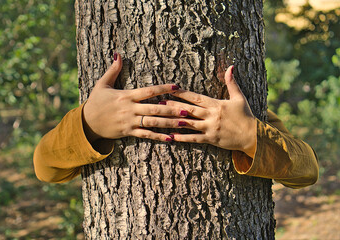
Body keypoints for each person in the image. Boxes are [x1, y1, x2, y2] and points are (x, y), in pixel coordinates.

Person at [33, 53, 319, 189]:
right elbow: (46, 168)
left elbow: (307, 172)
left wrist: (248, 135)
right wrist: (88, 123)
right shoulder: (104, 107)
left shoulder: (247, 112)